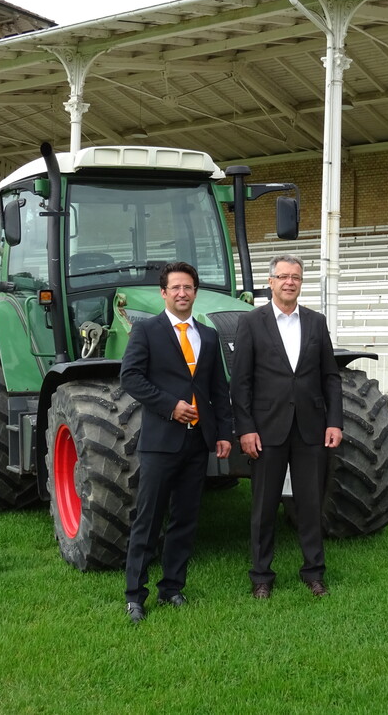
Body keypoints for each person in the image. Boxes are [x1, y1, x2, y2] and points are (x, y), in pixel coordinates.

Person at [120, 261, 232, 623]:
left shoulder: (209, 336)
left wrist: (223, 435)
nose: (182, 293)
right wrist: (170, 406)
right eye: (175, 288)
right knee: (149, 520)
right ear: (164, 293)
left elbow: (218, 390)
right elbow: (131, 378)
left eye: (188, 287)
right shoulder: (147, 331)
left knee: (185, 519)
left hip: (197, 443)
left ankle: (172, 588)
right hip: (160, 442)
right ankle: (135, 595)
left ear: (195, 292)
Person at [231, 254, 343, 599]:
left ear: (300, 282)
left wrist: (334, 422)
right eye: (282, 276)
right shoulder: (251, 322)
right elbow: (241, 382)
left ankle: (314, 572)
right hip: (266, 431)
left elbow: (330, 377)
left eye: (295, 277)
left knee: (310, 505)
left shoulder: (315, 322)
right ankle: (261, 576)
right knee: (263, 507)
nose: (289, 282)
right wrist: (246, 429)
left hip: (311, 428)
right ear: (271, 282)